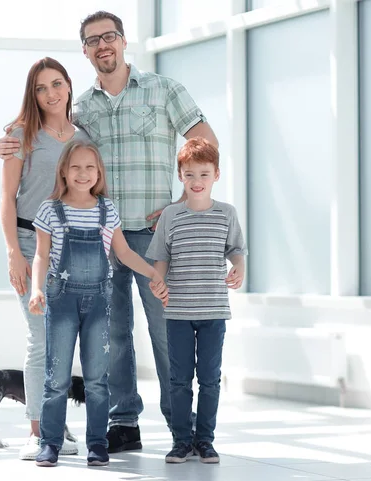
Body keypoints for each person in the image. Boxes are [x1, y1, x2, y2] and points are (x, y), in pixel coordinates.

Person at [0, 10, 218, 453]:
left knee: (165, 331)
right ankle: (123, 422)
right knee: (112, 335)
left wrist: (182, 203)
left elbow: (204, 143)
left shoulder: (163, 90)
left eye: (110, 36)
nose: (103, 45)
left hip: (154, 237)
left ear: (122, 41)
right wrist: (7, 140)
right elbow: (43, 140)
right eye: (93, 40)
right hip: (98, 239)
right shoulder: (83, 113)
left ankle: (184, 427)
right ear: (84, 51)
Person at [27, 139, 168, 467]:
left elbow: (125, 253)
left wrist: (153, 274)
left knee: (96, 380)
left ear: (99, 173)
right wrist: (36, 290)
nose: (83, 173)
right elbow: (41, 255)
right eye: (75, 167)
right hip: (61, 302)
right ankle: (49, 443)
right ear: (64, 170)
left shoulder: (107, 209)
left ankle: (96, 444)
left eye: (90, 167)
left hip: (98, 306)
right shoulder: (50, 209)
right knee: (56, 378)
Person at [0, 57, 89, 460]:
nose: (50, 93)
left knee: (63, 341)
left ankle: (55, 422)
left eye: (56, 84)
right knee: (40, 339)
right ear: (32, 95)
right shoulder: (21, 134)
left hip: (71, 246)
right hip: (27, 240)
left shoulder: (82, 135)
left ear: (69, 86)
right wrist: (13, 253)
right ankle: (37, 431)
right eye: (40, 88)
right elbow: (6, 198)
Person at [146, 137, 247, 464]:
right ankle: (180, 440)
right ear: (181, 176)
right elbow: (160, 258)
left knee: (209, 379)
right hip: (176, 311)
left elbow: (236, 251)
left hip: (214, 311)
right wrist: (157, 282)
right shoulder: (171, 216)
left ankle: (204, 440)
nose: (197, 181)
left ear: (216, 175)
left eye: (204, 174)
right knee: (178, 379)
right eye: (190, 175)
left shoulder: (226, 214)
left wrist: (239, 269)